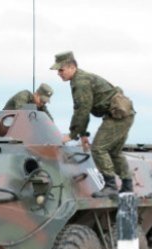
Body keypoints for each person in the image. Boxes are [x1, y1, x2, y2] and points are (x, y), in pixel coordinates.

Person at [51, 51, 136, 198]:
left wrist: (72, 135)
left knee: (98, 149)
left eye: (61, 69)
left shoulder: (80, 82)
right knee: (114, 152)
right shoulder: (80, 79)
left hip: (117, 116)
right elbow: (86, 109)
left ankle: (110, 186)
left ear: (72, 67)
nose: (59, 73)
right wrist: (83, 135)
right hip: (124, 115)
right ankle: (127, 186)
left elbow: (82, 110)